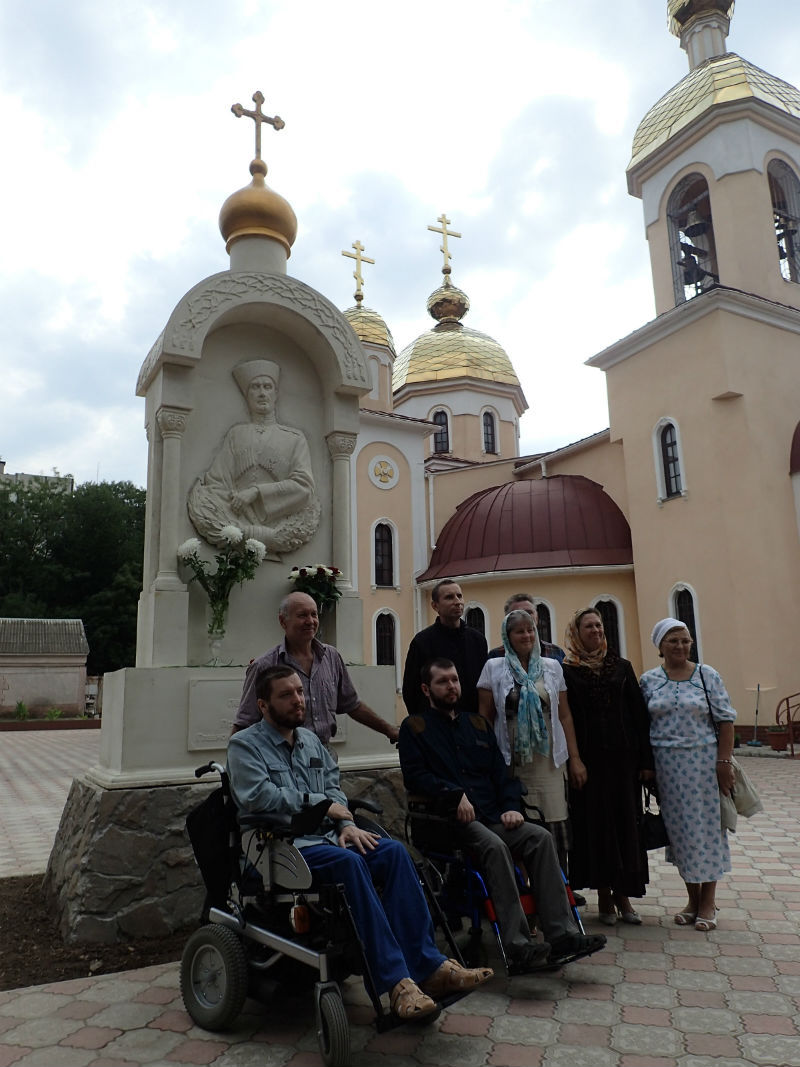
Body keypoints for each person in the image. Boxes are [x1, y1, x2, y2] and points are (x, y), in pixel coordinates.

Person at [228, 665, 493, 1019]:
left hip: (327, 839)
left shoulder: (310, 741)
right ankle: (396, 983)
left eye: (300, 692)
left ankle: (430, 968)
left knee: (394, 853)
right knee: (350, 864)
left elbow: (334, 789)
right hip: (281, 848)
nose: (298, 700)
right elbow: (259, 796)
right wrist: (323, 807)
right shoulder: (244, 745)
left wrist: (346, 825)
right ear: (263, 705)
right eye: (286, 695)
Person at [398, 658, 606, 972]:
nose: (451, 686)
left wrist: (511, 806)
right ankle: (518, 946)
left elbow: (502, 776)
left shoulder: (477, 725)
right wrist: (454, 796)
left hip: (493, 815)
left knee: (539, 838)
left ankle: (562, 935)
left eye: (454, 680)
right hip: (450, 822)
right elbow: (415, 777)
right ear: (427, 689)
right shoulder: (415, 728)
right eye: (443, 682)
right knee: (494, 846)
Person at [639, 618, 736, 932]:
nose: (680, 646)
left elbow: (725, 721)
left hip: (703, 764)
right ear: (660, 646)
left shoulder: (707, 676)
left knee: (707, 831)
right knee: (679, 834)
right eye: (673, 641)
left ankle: (708, 901)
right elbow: (642, 726)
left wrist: (724, 763)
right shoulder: (649, 681)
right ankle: (692, 900)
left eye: (685, 640)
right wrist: (647, 769)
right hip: (666, 768)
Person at [561, 608, 654, 926]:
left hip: (624, 764)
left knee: (626, 827)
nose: (596, 630)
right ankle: (603, 894)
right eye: (589, 626)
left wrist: (645, 762)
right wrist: (574, 760)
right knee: (597, 828)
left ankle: (624, 897)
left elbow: (639, 717)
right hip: (589, 766)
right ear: (576, 633)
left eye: (599, 625)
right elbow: (565, 719)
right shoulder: (568, 671)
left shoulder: (622, 667)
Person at [477, 610, 583, 876]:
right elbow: (485, 719)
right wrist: (486, 763)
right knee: (520, 823)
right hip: (511, 756)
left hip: (548, 757)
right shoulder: (494, 668)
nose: (526, 635)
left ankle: (558, 891)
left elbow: (565, 715)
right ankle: (527, 893)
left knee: (554, 819)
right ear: (507, 637)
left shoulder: (552, 667)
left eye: (530, 630)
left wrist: (576, 758)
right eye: (519, 631)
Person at [188, 359, 320, 557]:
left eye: (267, 387)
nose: (262, 393)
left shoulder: (294, 438)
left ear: (276, 394)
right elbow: (216, 482)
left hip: (277, 522)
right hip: (236, 518)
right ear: (246, 395)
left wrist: (256, 492)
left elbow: (304, 487)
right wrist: (234, 502)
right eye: (255, 387)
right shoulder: (236, 434)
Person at [234, 591, 399, 745]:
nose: (310, 621)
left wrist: (389, 730)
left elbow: (352, 705)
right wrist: (236, 765)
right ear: (283, 621)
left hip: (324, 757)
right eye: (302, 615)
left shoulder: (331, 657)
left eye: (314, 614)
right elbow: (244, 722)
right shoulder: (264, 665)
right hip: (282, 760)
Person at [401, 580, 488, 716]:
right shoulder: (422, 642)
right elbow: (411, 690)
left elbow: (484, 686)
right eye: (449, 597)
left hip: (472, 724)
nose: (457, 601)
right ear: (435, 606)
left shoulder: (477, 640)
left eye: (459, 596)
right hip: (436, 725)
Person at [487, 594, 565, 663]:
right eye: (518, 612)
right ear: (507, 621)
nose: (524, 616)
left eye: (529, 612)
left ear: (537, 617)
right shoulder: (495, 656)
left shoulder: (556, 652)